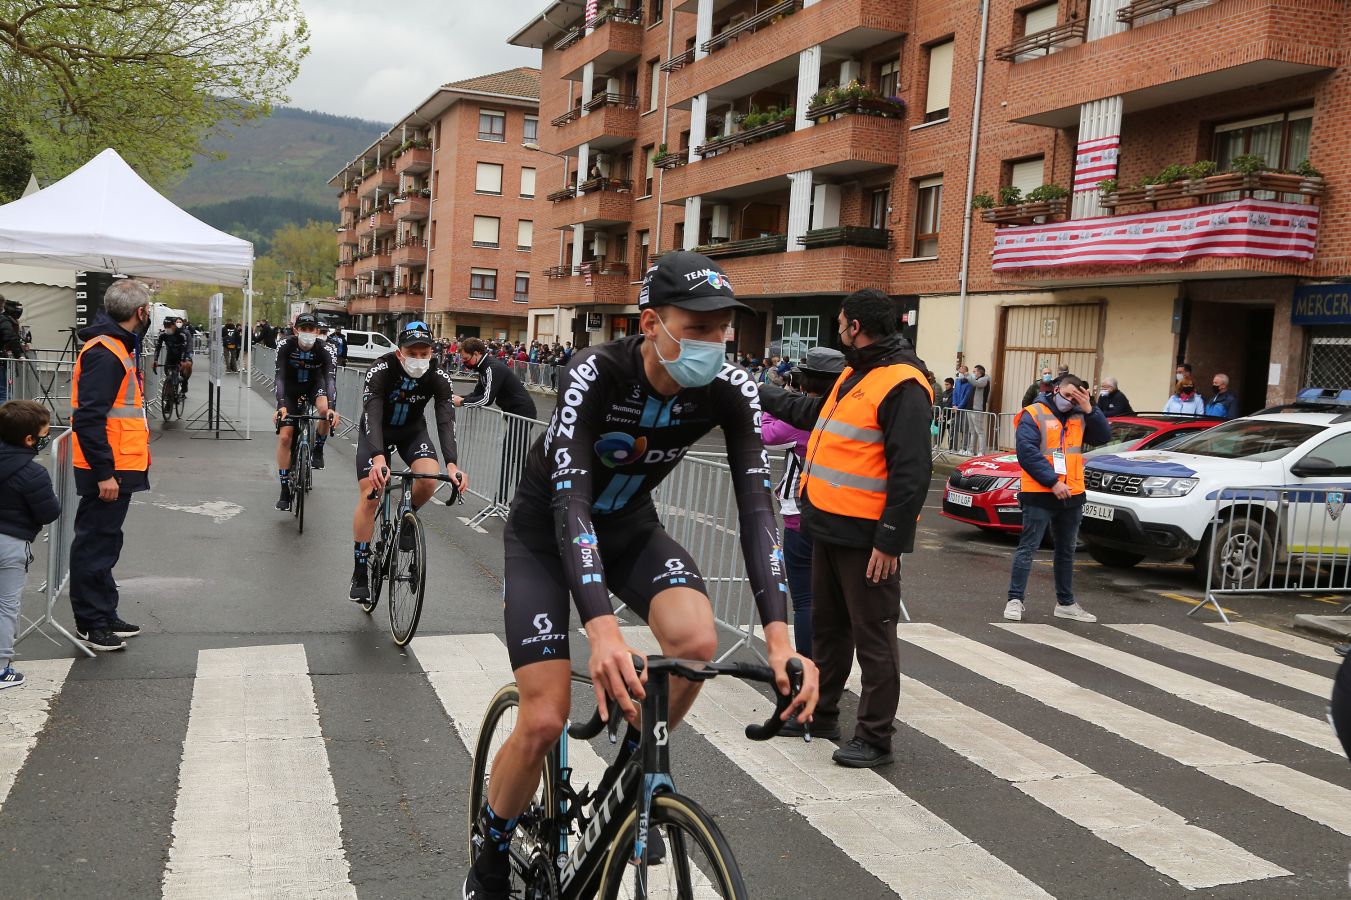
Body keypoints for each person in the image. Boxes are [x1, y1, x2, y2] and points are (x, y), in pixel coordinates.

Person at [465, 252, 818, 899]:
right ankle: (489, 848)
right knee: (544, 720)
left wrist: (778, 636)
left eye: (722, 330)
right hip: (547, 534)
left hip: (627, 529)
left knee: (695, 642)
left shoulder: (729, 388)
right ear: (651, 322)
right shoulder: (595, 372)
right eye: (698, 327)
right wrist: (600, 628)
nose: (714, 343)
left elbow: (754, 506)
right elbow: (569, 497)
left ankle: (635, 777)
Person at [759, 287, 932, 769]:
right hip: (827, 528)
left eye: (839, 323)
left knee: (874, 638)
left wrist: (891, 541)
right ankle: (822, 713)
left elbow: (913, 470)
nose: (837, 330)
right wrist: (752, 389)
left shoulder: (902, 383)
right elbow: (807, 414)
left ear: (855, 327)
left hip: (866, 537)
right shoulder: (857, 374)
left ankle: (875, 738)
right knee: (830, 631)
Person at [349, 322, 465, 602]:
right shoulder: (380, 369)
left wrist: (452, 464)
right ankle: (360, 570)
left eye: (424, 353)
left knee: (428, 478)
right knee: (371, 495)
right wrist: (378, 458)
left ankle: (406, 518)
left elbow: (445, 420)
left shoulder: (438, 375)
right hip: (376, 431)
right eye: (413, 352)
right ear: (400, 353)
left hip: (412, 431)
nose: (419, 358)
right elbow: (372, 413)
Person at [70, 279, 153, 652]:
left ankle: (104, 612)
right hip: (109, 467)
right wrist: (104, 472)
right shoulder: (107, 351)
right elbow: (89, 418)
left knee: (106, 540)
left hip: (118, 463)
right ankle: (91, 623)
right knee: (96, 542)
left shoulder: (114, 346)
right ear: (140, 313)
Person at [1003, 373, 1111, 625]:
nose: (1071, 400)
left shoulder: (1081, 415)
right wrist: (1052, 481)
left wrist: (1090, 409)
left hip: (1072, 494)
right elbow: (1027, 453)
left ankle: (1065, 603)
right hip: (1040, 492)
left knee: (1066, 551)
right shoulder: (1034, 413)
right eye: (1068, 395)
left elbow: (1104, 437)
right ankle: (1015, 600)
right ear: (1055, 391)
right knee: (1028, 548)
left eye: (1078, 396)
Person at [763, 347, 845, 660]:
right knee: (836, 601)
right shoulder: (848, 411)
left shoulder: (803, 415)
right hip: (842, 514)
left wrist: (775, 403)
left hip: (801, 514)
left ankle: (809, 667)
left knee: (807, 600)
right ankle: (833, 667)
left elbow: (767, 433)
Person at [0, 401, 59, 688]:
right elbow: (48, 513)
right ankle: (1, 668)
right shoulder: (33, 473)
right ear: (29, 439)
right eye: (44, 432)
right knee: (6, 606)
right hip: (11, 544)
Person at [273, 313, 339, 510]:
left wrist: (332, 409)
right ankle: (285, 490)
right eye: (304, 328)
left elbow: (330, 381)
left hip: (314, 386)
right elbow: (279, 376)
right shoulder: (285, 345)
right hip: (290, 390)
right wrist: (281, 405)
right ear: (296, 330)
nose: (308, 332)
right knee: (285, 437)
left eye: (311, 329)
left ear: (317, 331)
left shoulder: (327, 349)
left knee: (325, 410)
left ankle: (318, 448)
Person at [153, 316, 192, 397]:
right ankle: (169, 400)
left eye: (169, 326)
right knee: (170, 378)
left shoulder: (182, 335)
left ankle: (184, 383)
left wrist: (183, 360)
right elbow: (158, 347)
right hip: (170, 358)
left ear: (174, 325)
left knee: (187, 366)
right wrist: (155, 360)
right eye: (165, 326)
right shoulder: (163, 335)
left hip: (182, 356)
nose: (167, 328)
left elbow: (185, 348)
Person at [956, 363, 991, 454]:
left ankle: (981, 452)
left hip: (977, 408)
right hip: (970, 408)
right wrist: (962, 374)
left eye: (974, 371)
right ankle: (972, 450)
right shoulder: (974, 379)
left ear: (980, 372)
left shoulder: (984, 380)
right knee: (972, 431)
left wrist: (966, 373)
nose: (973, 373)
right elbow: (963, 379)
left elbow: (976, 383)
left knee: (979, 431)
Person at [0, 298, 26, 404]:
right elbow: (10, 336)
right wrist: (18, 354)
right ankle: (6, 419)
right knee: (3, 393)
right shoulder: (3, 319)